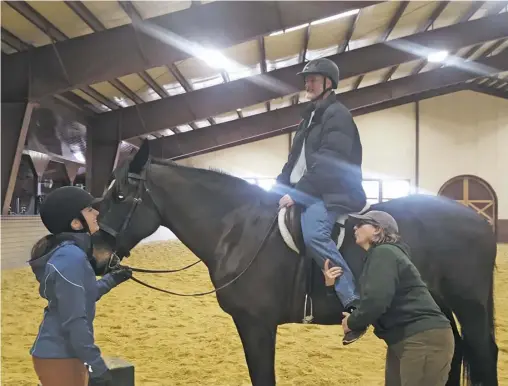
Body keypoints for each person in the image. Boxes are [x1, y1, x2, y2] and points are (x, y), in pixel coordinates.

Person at [275, 57, 367, 344]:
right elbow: (294, 161)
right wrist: (277, 187)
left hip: (330, 191)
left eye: (313, 79)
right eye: (307, 80)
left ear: (329, 83)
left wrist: (299, 193)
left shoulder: (337, 114)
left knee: (314, 233)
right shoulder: (308, 118)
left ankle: (352, 301)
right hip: (305, 187)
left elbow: (329, 163)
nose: (308, 84)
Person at [324, 210, 454, 386]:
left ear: (377, 229)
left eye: (361, 224)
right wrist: (331, 287)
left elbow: (376, 301)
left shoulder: (384, 253)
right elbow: (368, 302)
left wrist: (353, 322)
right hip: (406, 340)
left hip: (422, 340)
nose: (355, 227)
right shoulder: (382, 256)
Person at [29, 186, 133, 386]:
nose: (96, 213)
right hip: (60, 357)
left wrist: (113, 279)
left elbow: (83, 296)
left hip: (65, 354)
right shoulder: (71, 258)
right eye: (89, 210)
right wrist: (96, 366)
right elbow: (75, 321)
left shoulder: (72, 253)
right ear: (76, 223)